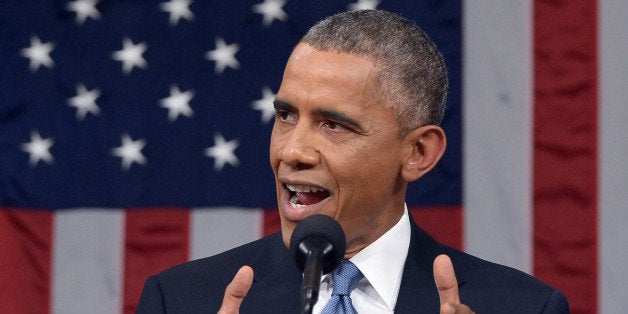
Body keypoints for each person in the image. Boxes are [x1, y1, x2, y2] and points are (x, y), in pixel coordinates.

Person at [136, 10, 569, 313]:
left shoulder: (523, 306)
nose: (291, 152)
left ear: (418, 153)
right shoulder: (180, 300)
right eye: (286, 116)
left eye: (333, 125)